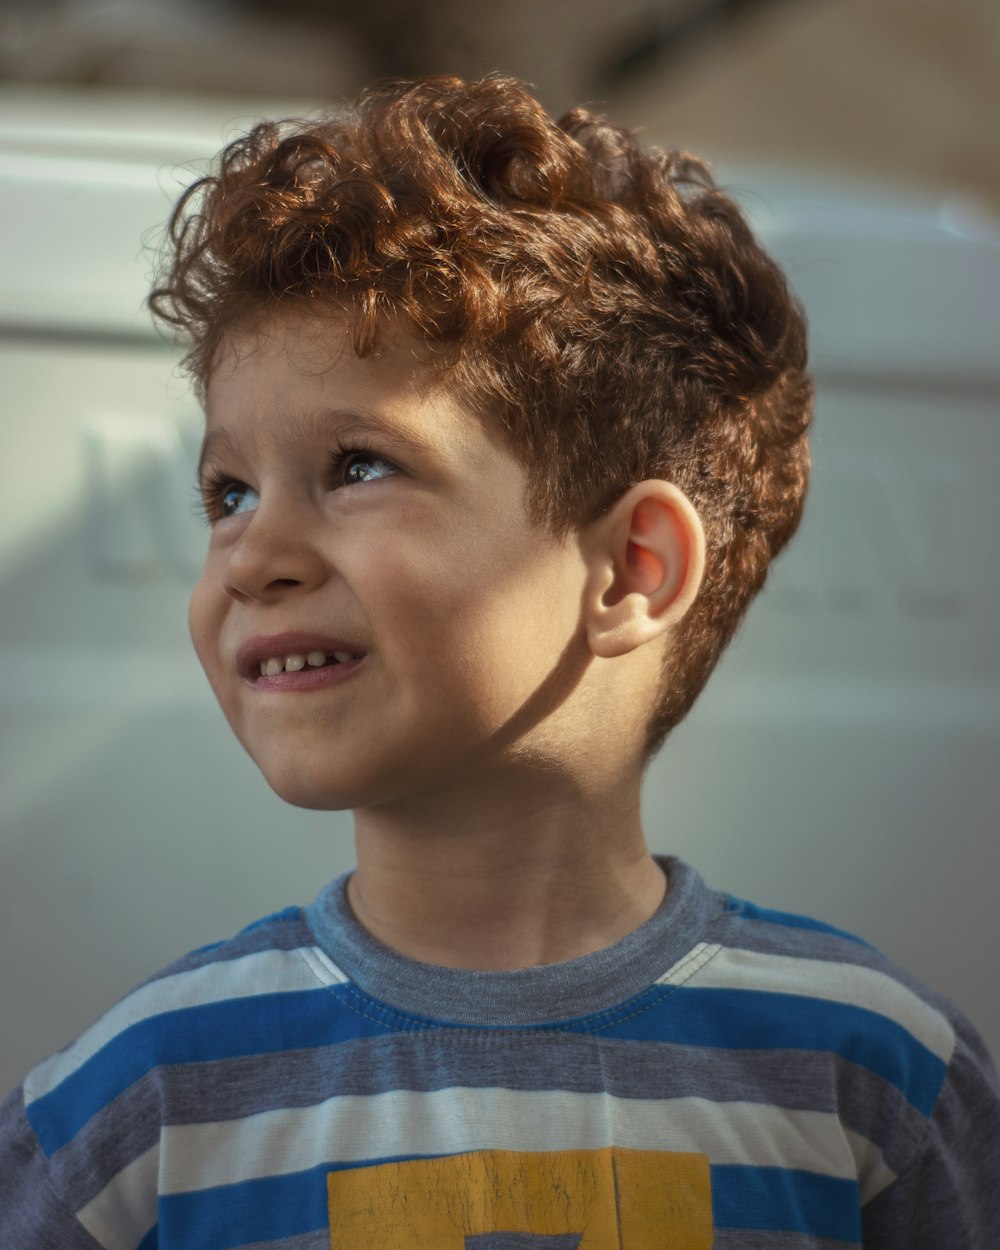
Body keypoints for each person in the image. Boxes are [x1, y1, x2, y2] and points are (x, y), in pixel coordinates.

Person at [1, 73, 997, 1249]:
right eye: (227, 490)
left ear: (632, 569)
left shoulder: (874, 1074)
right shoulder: (128, 1105)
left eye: (359, 465)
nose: (250, 554)